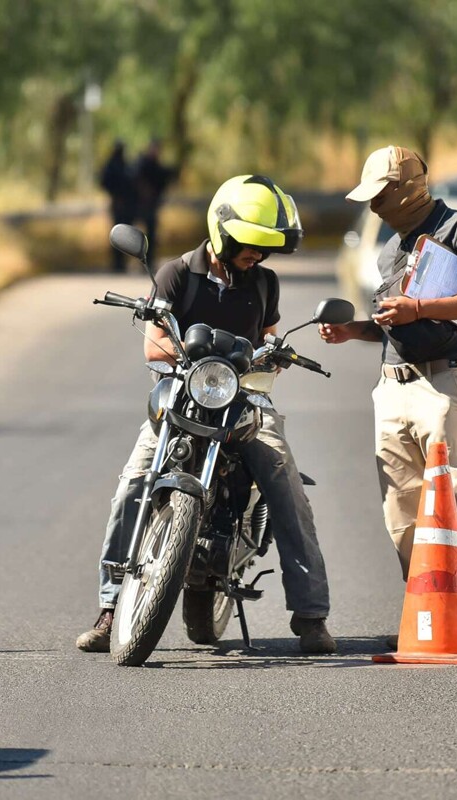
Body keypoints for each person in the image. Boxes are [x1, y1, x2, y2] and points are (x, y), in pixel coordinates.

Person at [77, 174, 336, 654]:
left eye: (264, 249)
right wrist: (171, 354)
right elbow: (155, 337)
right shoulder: (176, 273)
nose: (257, 255)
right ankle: (111, 606)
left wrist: (277, 351)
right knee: (133, 483)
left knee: (287, 486)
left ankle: (311, 614)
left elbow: (270, 335)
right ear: (224, 232)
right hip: (181, 394)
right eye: (250, 245)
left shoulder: (264, 282)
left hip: (245, 400)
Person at [319, 146, 457, 651]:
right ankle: (436, 605)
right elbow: (393, 325)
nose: (373, 207)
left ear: (406, 189)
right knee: (400, 511)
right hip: (392, 387)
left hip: (444, 386)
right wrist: (353, 330)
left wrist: (419, 307)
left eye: (379, 196)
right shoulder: (389, 249)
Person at [133, 137, 176, 268]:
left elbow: (162, 180)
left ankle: (147, 261)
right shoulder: (143, 164)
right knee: (136, 236)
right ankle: (140, 261)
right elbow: (136, 181)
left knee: (151, 234)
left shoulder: (156, 165)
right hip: (139, 205)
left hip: (151, 206)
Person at [99, 140, 137, 272]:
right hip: (117, 204)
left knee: (126, 235)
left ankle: (123, 262)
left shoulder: (125, 165)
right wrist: (115, 194)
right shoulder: (112, 166)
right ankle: (117, 263)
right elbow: (105, 182)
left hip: (128, 205)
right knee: (117, 234)